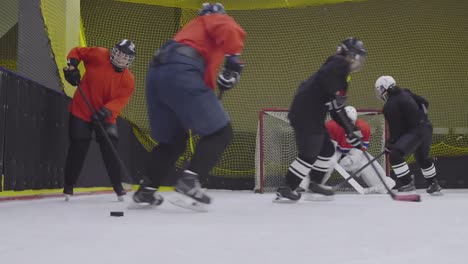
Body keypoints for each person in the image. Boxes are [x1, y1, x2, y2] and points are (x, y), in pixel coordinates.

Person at [132, 3, 246, 211]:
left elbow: (201, 81)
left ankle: (146, 190)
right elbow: (230, 28)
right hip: (181, 71)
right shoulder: (212, 19)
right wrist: (233, 64)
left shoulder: (191, 32)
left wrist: (223, 78)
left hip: (158, 74)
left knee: (173, 141)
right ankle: (189, 182)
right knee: (221, 132)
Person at [274, 37, 367, 202]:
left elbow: (336, 109)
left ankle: (315, 183)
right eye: (356, 56)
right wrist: (331, 93)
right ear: (347, 54)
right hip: (306, 114)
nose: (357, 61)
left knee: (326, 150)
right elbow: (328, 87)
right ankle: (286, 188)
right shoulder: (339, 63)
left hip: (313, 115)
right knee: (309, 154)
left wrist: (350, 131)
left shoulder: (341, 73)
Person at [62, 39, 136, 201]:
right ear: (114, 51)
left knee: (110, 148)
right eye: (120, 54)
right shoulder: (99, 54)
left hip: (106, 117)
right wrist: (72, 66)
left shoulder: (128, 80)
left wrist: (104, 113)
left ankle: (118, 187)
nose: (121, 59)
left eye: (125, 57)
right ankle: (68, 187)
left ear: (129, 61)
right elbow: (77, 51)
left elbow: (120, 101)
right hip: (81, 110)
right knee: (78, 145)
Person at [298, 106, 396, 194]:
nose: (350, 124)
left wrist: (353, 159)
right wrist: (333, 158)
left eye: (352, 121)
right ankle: (309, 184)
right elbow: (326, 146)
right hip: (335, 147)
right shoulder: (331, 126)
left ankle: (382, 184)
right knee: (325, 161)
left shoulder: (363, 127)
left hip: (352, 148)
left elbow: (360, 148)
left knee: (365, 162)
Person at [375, 76, 442, 195]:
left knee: (394, 155)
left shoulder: (389, 106)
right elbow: (424, 102)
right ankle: (434, 184)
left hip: (415, 131)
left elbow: (395, 130)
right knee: (422, 158)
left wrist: (390, 144)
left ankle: (407, 183)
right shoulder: (406, 92)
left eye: (379, 90)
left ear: (384, 89)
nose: (379, 94)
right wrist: (420, 118)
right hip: (426, 127)